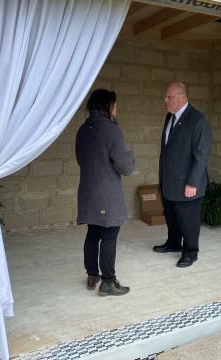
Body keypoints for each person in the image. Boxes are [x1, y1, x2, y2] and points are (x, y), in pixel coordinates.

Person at [76, 89, 134, 296]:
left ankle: (92, 275)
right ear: (108, 106)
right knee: (109, 234)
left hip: (88, 191)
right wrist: (130, 155)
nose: (116, 109)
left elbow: (81, 159)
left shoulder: (83, 129)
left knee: (93, 233)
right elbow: (125, 167)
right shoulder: (110, 130)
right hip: (106, 194)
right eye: (115, 105)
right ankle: (108, 282)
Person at [153, 82, 212, 268]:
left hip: (187, 184)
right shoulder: (169, 118)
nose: (165, 100)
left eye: (169, 97)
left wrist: (192, 183)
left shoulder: (197, 120)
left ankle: (191, 252)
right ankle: (173, 244)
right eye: (166, 97)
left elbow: (201, 155)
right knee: (171, 216)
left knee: (189, 221)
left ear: (182, 97)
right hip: (169, 181)